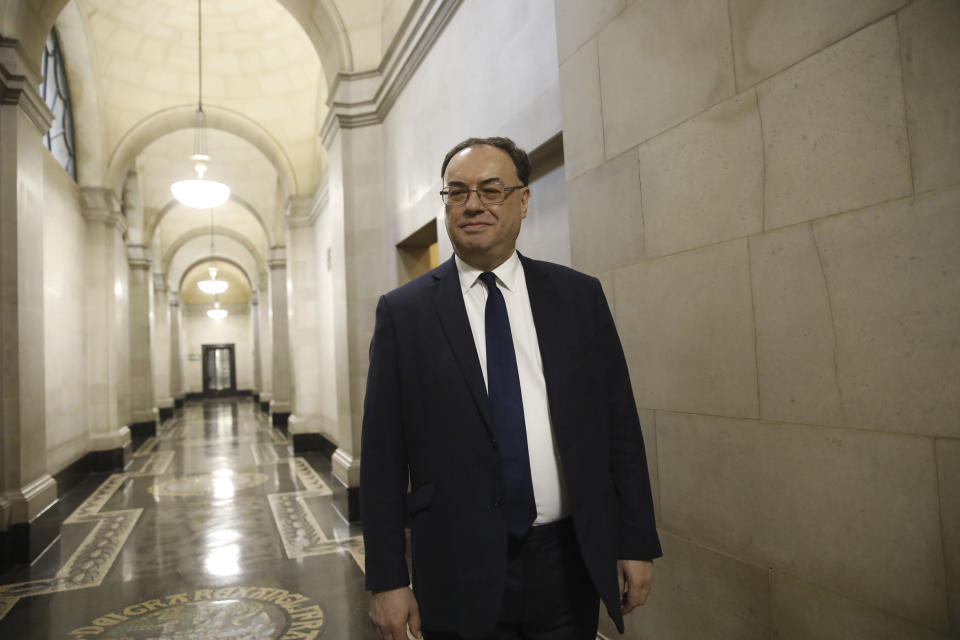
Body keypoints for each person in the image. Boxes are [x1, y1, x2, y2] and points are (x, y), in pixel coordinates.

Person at [360, 136, 661, 639]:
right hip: (457, 568)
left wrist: (634, 539)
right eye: (456, 192)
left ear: (522, 200)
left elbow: (619, 427)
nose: (472, 204)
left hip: (569, 564)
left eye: (491, 189)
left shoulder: (577, 297)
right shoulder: (403, 314)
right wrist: (387, 579)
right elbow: (383, 457)